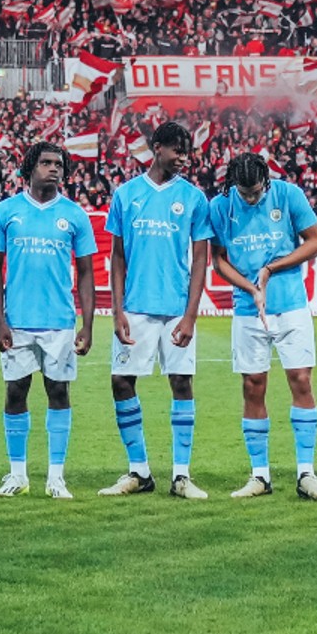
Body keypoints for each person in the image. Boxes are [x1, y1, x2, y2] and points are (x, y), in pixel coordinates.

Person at [100, 122, 213, 500]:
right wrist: (116, 310)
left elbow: (200, 259)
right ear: (156, 148)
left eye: (186, 150)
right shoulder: (126, 194)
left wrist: (191, 315)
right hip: (136, 307)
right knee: (121, 381)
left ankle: (181, 475)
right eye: (176, 149)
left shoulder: (194, 198)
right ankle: (139, 470)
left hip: (176, 307)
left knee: (181, 382)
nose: (183, 157)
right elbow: (117, 256)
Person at [209, 151, 317, 500]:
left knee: (301, 380)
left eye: (257, 191)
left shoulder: (289, 195)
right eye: (245, 193)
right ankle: (260, 476)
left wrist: (271, 269)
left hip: (291, 304)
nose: (251, 198)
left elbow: (316, 242)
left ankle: (306, 473)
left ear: (267, 181)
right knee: (253, 385)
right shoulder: (220, 206)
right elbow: (218, 259)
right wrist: (249, 287)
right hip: (247, 309)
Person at [0, 142, 97, 500]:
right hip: (17, 322)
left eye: (59, 164)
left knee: (58, 392)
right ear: (30, 166)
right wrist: (0, 321)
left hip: (60, 322)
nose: (54, 169)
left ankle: (56, 477)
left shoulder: (74, 215)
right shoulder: (6, 211)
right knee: (15, 392)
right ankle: (18, 475)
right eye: (46, 162)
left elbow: (86, 273)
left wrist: (88, 324)